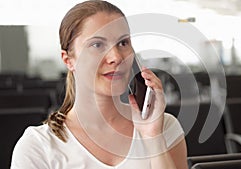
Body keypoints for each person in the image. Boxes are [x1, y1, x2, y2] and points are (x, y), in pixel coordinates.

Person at [11, 0, 188, 168]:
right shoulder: (37, 147)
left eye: (123, 43)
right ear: (69, 60)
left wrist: (154, 139)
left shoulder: (164, 127)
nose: (116, 57)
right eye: (97, 45)